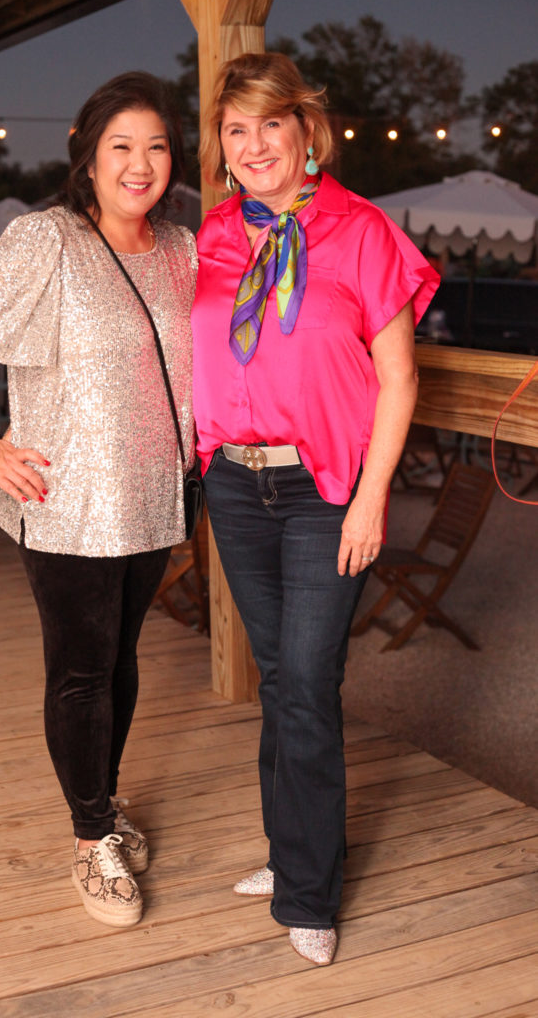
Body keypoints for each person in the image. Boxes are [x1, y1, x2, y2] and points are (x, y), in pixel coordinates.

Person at [0, 72, 197, 929]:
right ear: (87, 156)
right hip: (69, 496)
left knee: (118, 662)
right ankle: (89, 841)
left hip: (154, 497)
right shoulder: (47, 237)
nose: (139, 162)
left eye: (155, 145)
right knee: (81, 671)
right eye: (121, 145)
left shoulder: (183, 247)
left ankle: (102, 801)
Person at [192, 52, 439, 965]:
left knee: (307, 682)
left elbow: (400, 378)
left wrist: (371, 499)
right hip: (235, 483)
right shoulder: (215, 233)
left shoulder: (362, 231)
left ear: (307, 132)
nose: (253, 144)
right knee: (280, 678)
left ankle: (308, 893)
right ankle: (290, 848)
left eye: (270, 124)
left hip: (325, 487)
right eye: (235, 129)